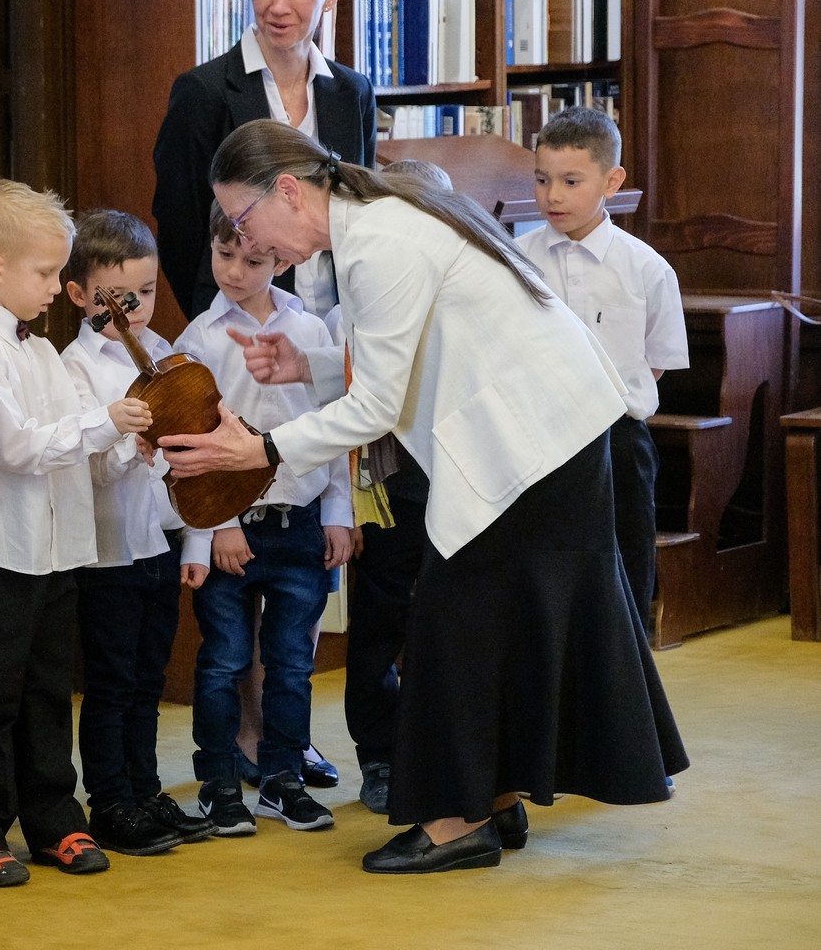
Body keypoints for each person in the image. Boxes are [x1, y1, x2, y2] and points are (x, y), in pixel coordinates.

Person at [161, 119, 688, 875]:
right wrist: (311, 365)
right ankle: (492, 800)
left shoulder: (378, 240)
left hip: (535, 440)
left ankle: (457, 822)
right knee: (497, 624)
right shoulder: (378, 219)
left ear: (288, 191)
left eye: (245, 219)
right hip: (541, 433)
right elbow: (417, 352)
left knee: (458, 624)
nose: (251, 241)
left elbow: (378, 405)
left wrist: (263, 450)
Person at [0, 181, 152, 884]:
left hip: (54, 554)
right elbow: (18, 447)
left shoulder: (41, 352)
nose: (59, 288)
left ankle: (55, 818)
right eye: (47, 273)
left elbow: (76, 449)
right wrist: (105, 423)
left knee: (49, 691)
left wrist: (127, 442)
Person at [174, 205, 353, 836]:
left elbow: (331, 427)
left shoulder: (308, 329)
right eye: (224, 256)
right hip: (233, 525)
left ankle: (282, 777)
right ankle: (219, 781)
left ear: (282, 260)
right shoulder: (198, 338)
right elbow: (191, 443)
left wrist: (337, 511)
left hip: (300, 524)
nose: (235, 271)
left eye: (253, 260)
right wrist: (217, 525)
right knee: (223, 661)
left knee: (293, 664)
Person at [58, 210, 212, 856]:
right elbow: (85, 466)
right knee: (112, 681)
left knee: (149, 677)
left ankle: (146, 791)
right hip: (109, 548)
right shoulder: (74, 367)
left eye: (145, 292)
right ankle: (111, 800)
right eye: (118, 297)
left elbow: (195, 451)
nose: (135, 309)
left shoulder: (167, 352)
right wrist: (131, 443)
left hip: (158, 541)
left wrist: (196, 535)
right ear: (80, 294)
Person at [153, 0, 375, 321]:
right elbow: (179, 232)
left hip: (341, 320)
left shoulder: (354, 93)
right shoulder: (202, 93)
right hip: (241, 323)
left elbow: (358, 215)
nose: (278, 6)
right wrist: (218, 315)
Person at [518, 108, 688, 632]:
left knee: (625, 568)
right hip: (537, 439)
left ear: (612, 182)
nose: (552, 196)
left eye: (571, 182)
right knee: (544, 572)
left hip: (618, 438)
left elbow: (654, 363)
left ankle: (625, 667)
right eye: (542, 180)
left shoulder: (646, 268)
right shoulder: (515, 260)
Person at [336, 158, 448, 817]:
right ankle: (379, 755)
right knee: (380, 620)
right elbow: (355, 376)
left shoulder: (461, 289)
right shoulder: (368, 284)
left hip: (459, 483)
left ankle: (448, 757)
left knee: (451, 623)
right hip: (393, 481)